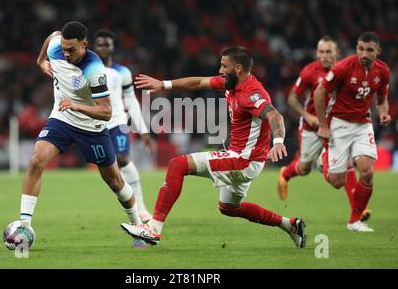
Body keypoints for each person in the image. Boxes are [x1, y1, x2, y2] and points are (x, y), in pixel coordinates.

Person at [121, 46, 307, 248]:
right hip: (245, 159)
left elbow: (275, 116)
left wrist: (278, 141)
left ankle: (153, 229)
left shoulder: (251, 93)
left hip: (243, 160)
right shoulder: (231, 83)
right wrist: (163, 84)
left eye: (223, 66)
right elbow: (198, 82)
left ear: (238, 68)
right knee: (229, 207)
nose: (219, 70)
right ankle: (290, 225)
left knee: (178, 165)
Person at [5, 21, 144, 248]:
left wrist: (77, 106)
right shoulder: (55, 47)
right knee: (36, 160)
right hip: (62, 119)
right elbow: (52, 35)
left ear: (84, 45)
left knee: (115, 181)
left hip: (92, 128)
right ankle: (24, 224)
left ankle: (138, 227)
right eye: (64, 48)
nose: (66, 53)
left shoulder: (94, 70)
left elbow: (106, 112)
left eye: (72, 49)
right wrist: (41, 61)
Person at [314, 32, 391, 232]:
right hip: (338, 123)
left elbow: (382, 98)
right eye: (360, 49)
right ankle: (324, 158)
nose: (364, 54)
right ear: (357, 48)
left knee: (367, 172)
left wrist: (383, 112)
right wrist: (323, 125)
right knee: (337, 182)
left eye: (369, 50)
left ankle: (354, 221)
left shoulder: (382, 71)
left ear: (378, 51)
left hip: (363, 124)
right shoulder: (343, 67)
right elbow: (319, 92)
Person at [93, 29, 155, 223]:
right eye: (100, 44)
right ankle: (131, 207)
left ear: (112, 47)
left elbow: (131, 101)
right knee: (110, 171)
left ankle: (142, 208)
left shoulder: (123, 72)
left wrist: (143, 131)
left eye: (107, 44)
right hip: (95, 124)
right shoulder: (87, 69)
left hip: (118, 122)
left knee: (123, 159)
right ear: (94, 47)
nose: (104, 47)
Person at [277, 36, 338, 200]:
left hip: (335, 126)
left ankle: (358, 212)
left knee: (339, 163)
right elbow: (292, 98)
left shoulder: (343, 70)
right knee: (304, 168)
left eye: (328, 52)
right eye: (321, 52)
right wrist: (307, 116)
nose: (324, 55)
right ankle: (285, 173)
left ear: (336, 53)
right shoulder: (309, 71)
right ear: (317, 53)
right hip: (312, 127)